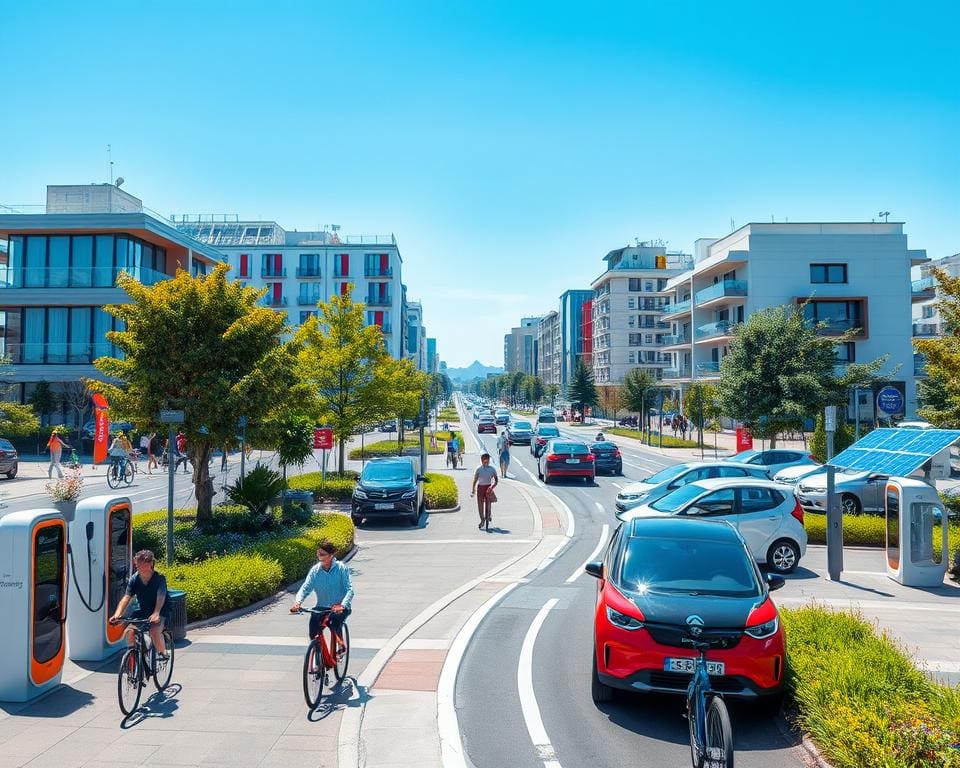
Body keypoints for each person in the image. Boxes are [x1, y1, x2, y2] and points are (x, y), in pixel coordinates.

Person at [291, 541, 353, 648]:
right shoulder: (315, 571)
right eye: (318, 553)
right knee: (314, 625)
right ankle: (317, 652)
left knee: (333, 620)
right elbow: (305, 588)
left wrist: (342, 605)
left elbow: (349, 590)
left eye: (323, 554)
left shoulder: (341, 568)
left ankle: (340, 645)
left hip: (340, 607)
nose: (320, 557)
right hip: (322, 607)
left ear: (331, 555)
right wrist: (298, 602)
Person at [110, 549, 170, 659]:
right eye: (137, 565)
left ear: (151, 564)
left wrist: (156, 613)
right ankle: (134, 658)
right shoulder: (134, 579)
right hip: (143, 609)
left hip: (161, 609)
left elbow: (161, 595)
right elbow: (126, 597)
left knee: (154, 631)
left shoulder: (159, 578)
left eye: (142, 565)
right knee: (130, 631)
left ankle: (163, 653)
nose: (139, 568)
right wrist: (117, 614)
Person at [471, 452, 499, 531]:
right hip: (480, 488)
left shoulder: (492, 469)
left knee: (489, 504)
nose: (486, 460)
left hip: (488, 488)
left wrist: (492, 487)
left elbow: (496, 480)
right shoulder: (478, 469)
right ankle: (482, 520)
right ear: (482, 460)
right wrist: (473, 489)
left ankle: (489, 515)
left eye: (487, 459)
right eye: (484, 459)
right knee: (480, 505)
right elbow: (475, 480)